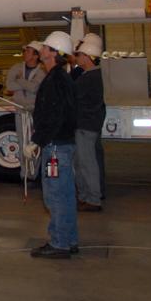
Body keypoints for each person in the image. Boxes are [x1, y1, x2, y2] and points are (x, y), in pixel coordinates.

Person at [26, 30, 79, 259]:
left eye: (45, 48)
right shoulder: (60, 77)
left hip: (55, 148)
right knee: (65, 194)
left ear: (53, 53)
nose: (41, 51)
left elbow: (55, 116)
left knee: (55, 195)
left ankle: (59, 243)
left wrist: (37, 141)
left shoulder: (55, 80)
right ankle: (68, 239)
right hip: (60, 144)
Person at [73, 33, 106, 212]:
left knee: (86, 163)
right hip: (87, 125)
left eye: (78, 55)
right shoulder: (93, 76)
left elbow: (73, 98)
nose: (76, 58)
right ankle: (86, 196)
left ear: (86, 56)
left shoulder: (89, 78)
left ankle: (92, 199)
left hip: (85, 126)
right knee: (82, 163)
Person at [5, 41, 45, 179]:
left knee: (35, 143)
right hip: (21, 111)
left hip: (36, 112)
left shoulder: (42, 71)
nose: (24, 53)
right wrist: (26, 84)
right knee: (23, 143)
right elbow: (9, 85)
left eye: (28, 51)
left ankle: (34, 173)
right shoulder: (16, 68)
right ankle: (25, 174)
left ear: (35, 55)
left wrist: (20, 81)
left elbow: (35, 88)